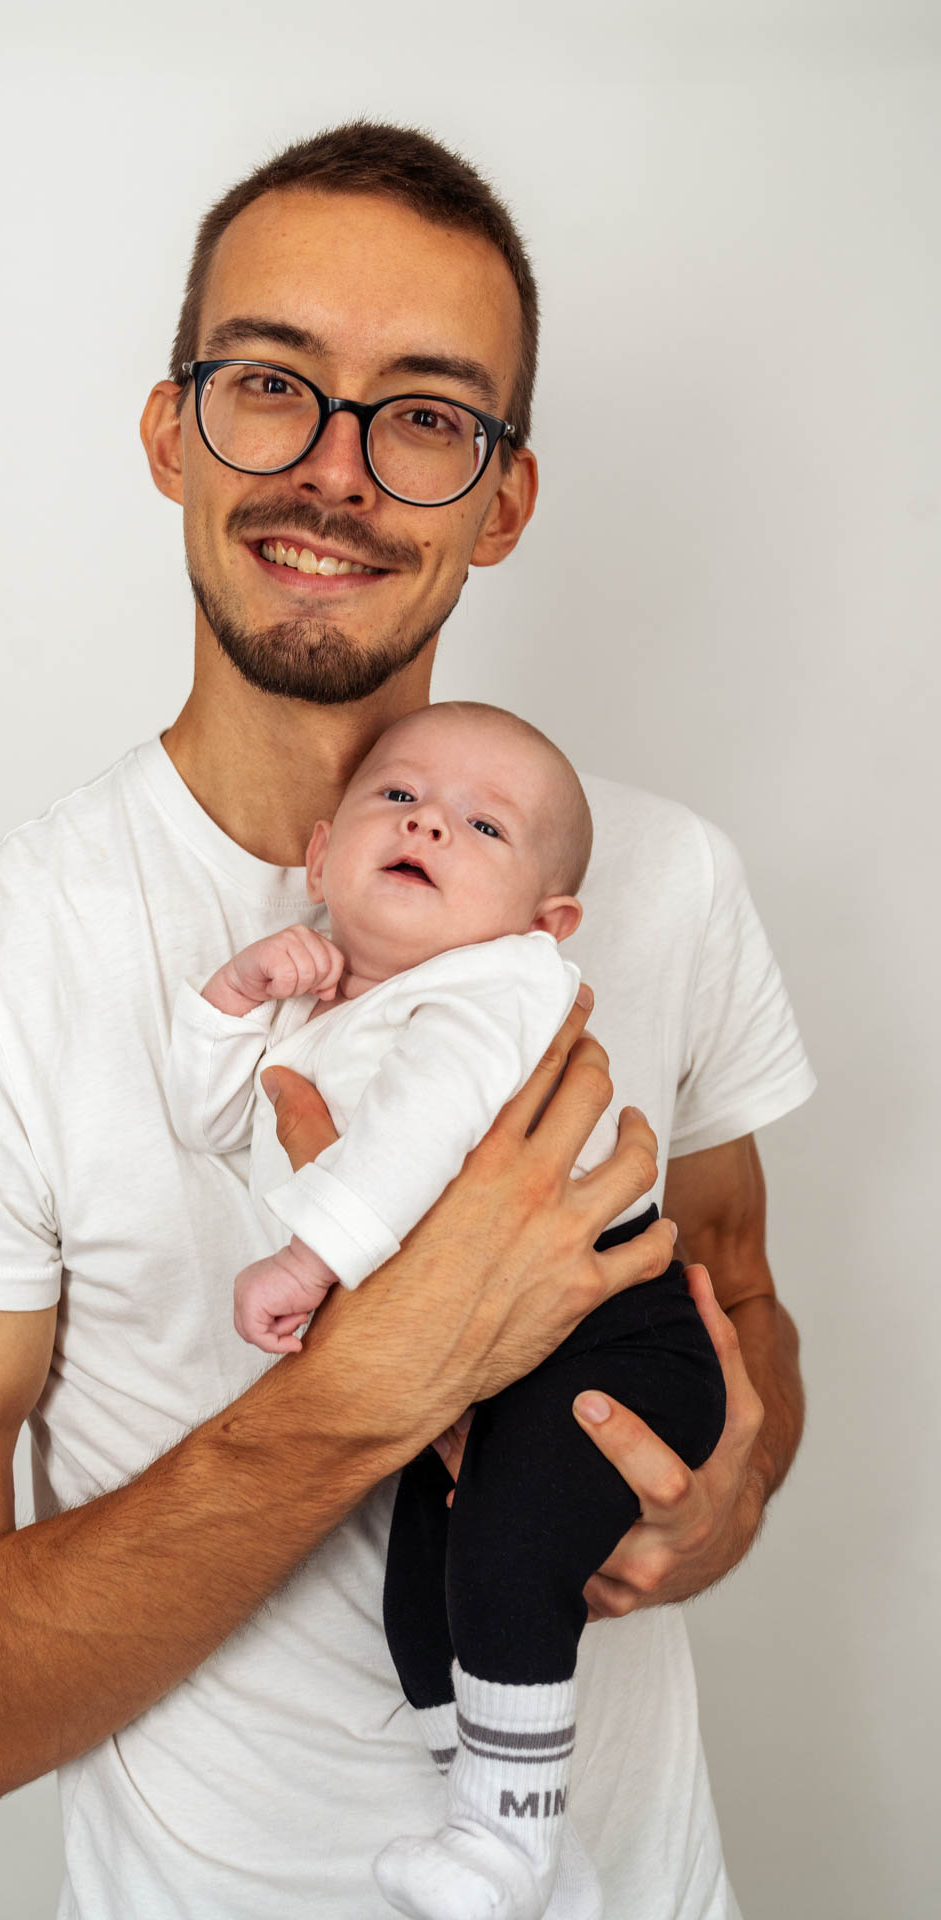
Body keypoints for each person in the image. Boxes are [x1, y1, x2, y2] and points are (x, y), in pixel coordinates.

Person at [0, 121, 814, 1919]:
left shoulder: (666, 883)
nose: (336, 472)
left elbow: (741, 1309)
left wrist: (724, 1495)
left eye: (424, 414)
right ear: (171, 431)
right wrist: (376, 1379)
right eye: (272, 384)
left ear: (501, 496)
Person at [164, 699, 727, 1920]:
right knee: (423, 1600)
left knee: (508, 1559)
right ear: (320, 857)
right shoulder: (330, 1011)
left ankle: (504, 1843)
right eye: (397, 799)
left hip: (609, 1341)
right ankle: (521, 1852)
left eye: (481, 823)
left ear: (547, 918)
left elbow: (420, 1131)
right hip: (480, 1365)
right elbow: (212, 1118)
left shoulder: (500, 986)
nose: (428, 822)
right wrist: (237, 990)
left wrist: (309, 1263)